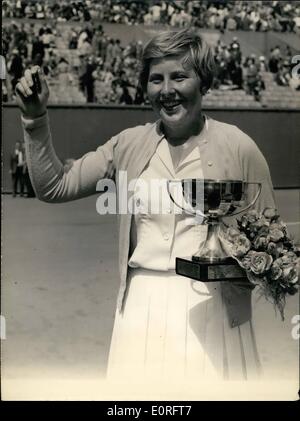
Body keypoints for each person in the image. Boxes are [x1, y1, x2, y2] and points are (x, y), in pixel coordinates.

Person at [15, 29, 295, 386]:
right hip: (140, 309)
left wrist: (234, 269)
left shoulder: (239, 147)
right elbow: (54, 185)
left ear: (203, 82)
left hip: (213, 311)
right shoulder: (128, 144)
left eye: (180, 76)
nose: (167, 90)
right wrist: (34, 119)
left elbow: (275, 248)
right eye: (155, 79)